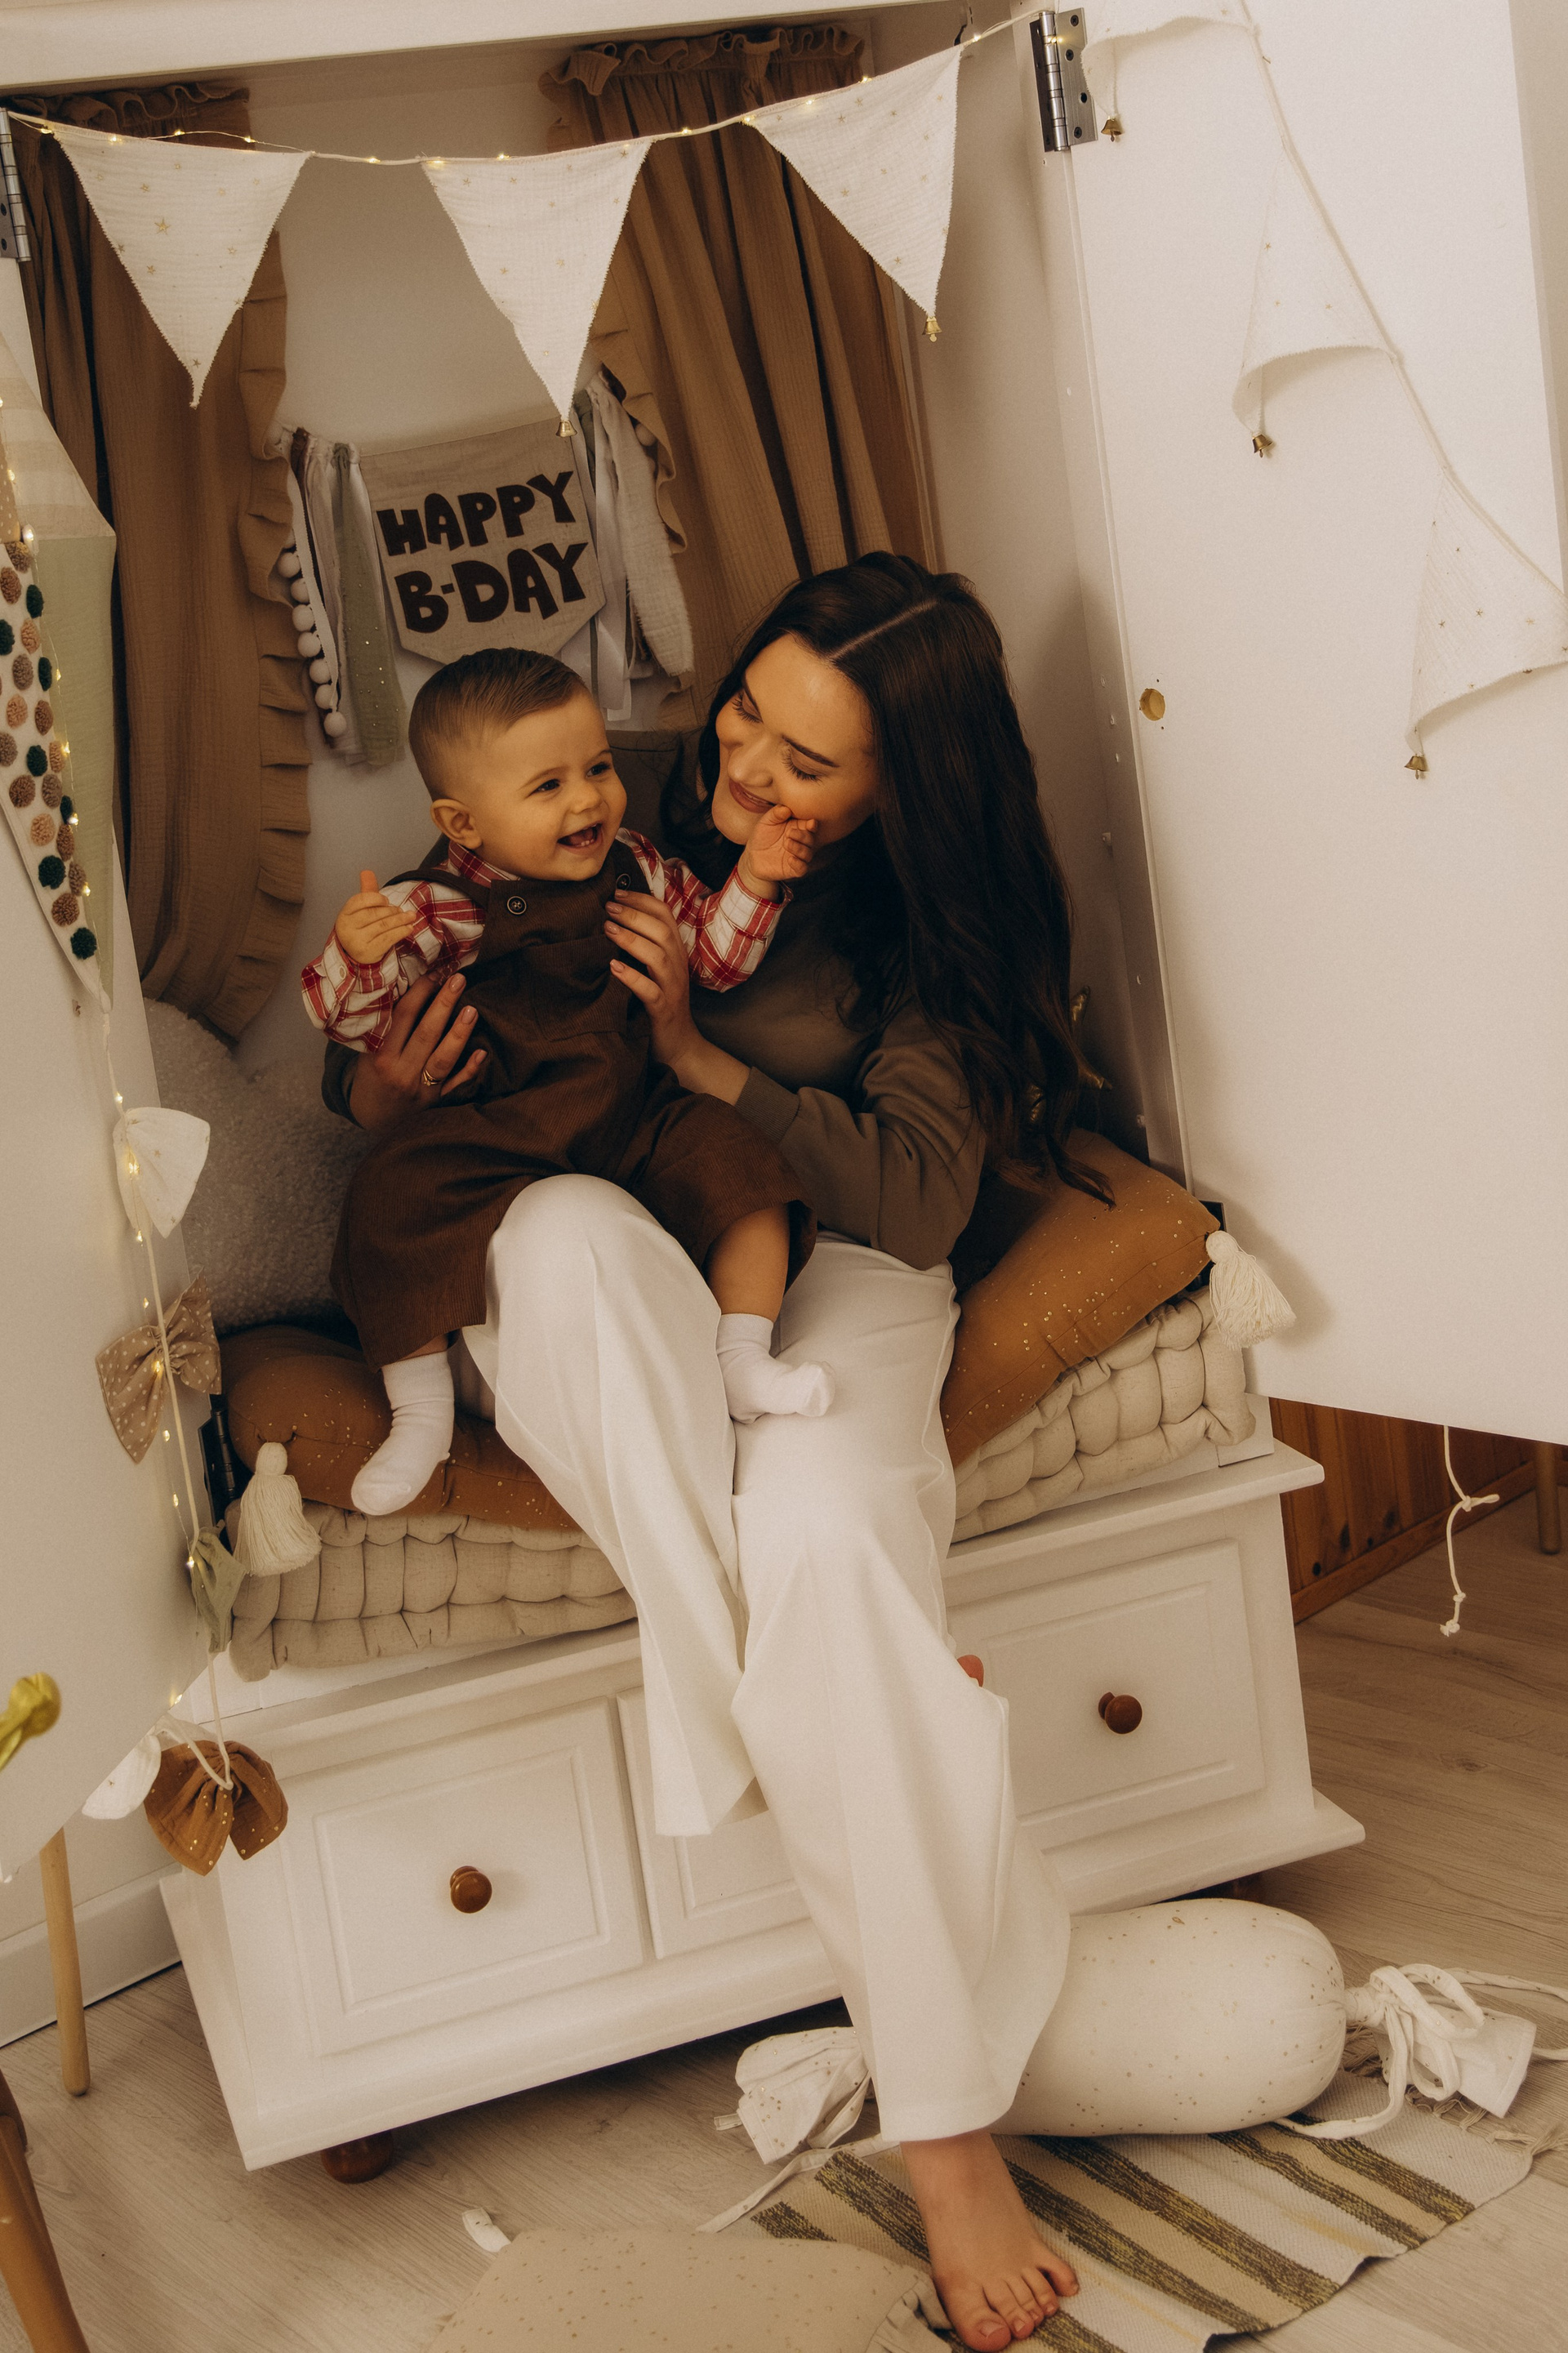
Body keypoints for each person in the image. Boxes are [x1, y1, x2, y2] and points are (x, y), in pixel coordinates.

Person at [324, 555, 1099, 2349]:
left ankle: (944, 2134)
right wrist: (385, 1078)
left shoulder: (930, 936)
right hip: (583, 1236)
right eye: (747, 710)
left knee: (828, 1542)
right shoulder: (610, 794)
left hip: (825, 1266)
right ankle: (806, 1706)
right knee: (573, 1246)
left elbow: (918, 1198)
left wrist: (694, 1052)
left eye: (806, 763)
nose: (742, 766)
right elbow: (396, 1034)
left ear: (903, 788)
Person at [303, 648, 831, 1520]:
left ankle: (743, 1353)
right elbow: (353, 1025)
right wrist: (355, 960)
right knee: (391, 1196)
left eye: (598, 768)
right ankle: (422, 1409)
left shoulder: (637, 865)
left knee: (747, 1169)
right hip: (495, 1129)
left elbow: (715, 958)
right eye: (548, 786)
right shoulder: (433, 907)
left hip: (628, 1114)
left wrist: (757, 878)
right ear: (463, 823)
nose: (587, 799)